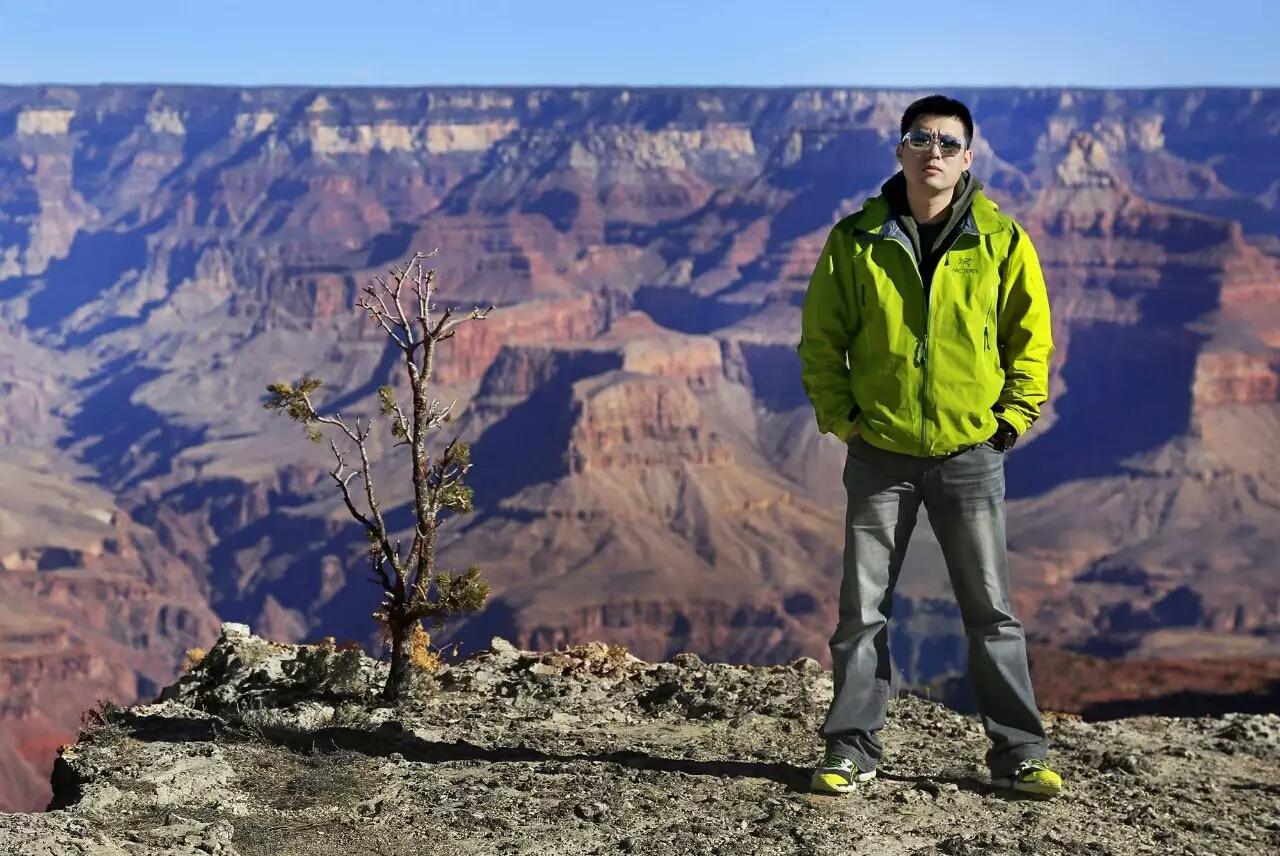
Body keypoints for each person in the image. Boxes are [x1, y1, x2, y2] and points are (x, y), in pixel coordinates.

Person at [795, 94, 1062, 798]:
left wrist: (1011, 420)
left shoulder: (1001, 240)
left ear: (968, 156)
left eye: (947, 142)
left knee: (991, 611)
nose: (933, 151)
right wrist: (843, 418)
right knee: (862, 611)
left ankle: (1019, 754)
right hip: (879, 453)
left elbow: (1029, 340)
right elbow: (821, 341)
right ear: (900, 152)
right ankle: (851, 748)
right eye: (920, 139)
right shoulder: (856, 240)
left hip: (970, 454)